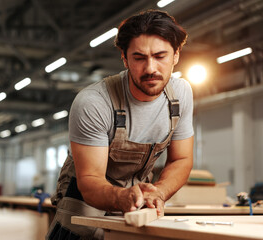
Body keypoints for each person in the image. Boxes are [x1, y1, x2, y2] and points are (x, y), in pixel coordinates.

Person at [46, 9, 194, 240]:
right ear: (124, 58)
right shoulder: (94, 102)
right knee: (81, 231)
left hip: (139, 196)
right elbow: (91, 180)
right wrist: (121, 198)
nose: (150, 69)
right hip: (86, 196)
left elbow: (181, 159)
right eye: (139, 58)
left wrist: (159, 192)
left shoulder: (180, 95)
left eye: (160, 56)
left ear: (176, 55)